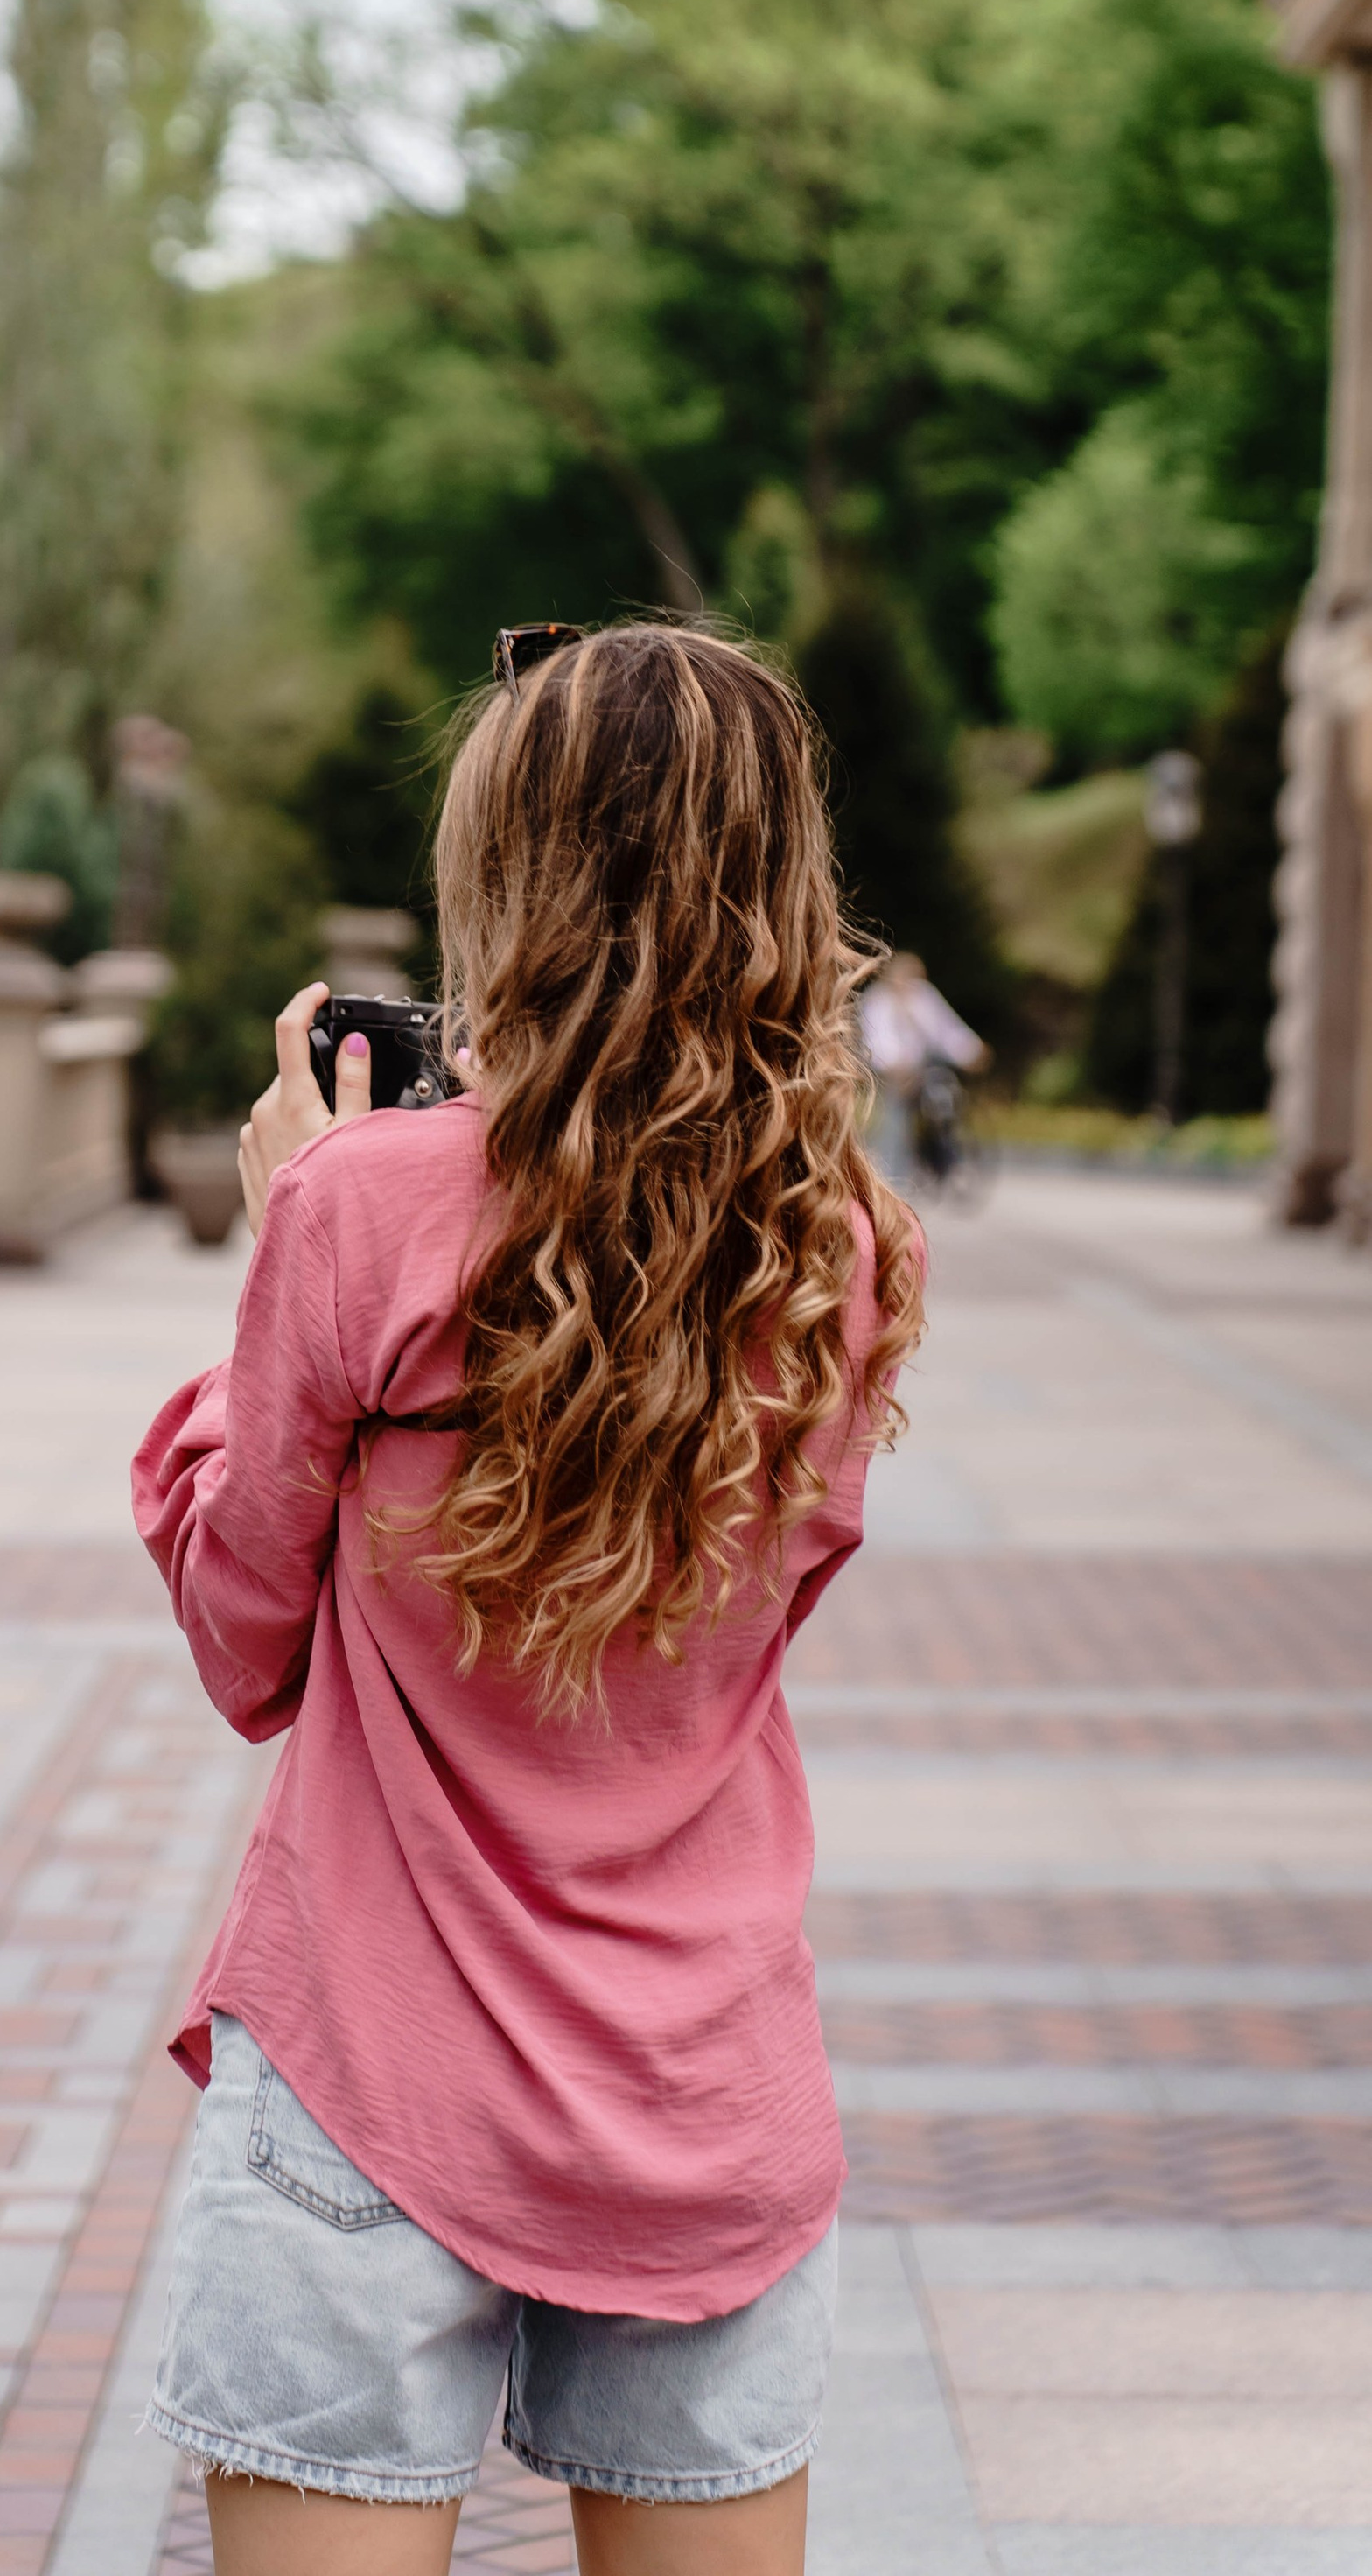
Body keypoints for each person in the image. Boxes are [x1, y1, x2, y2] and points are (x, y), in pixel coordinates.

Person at [131, 624, 925, 2576]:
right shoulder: (841, 1252)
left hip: (367, 2075)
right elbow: (710, 1656)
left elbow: (247, 1646)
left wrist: (276, 1268)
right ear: (777, 892)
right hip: (695, 2081)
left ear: (509, 880)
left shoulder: (359, 1209)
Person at [857, 951, 987, 1188]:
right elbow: (875, 1044)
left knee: (944, 1097)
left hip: (923, 1072)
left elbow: (946, 1031)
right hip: (892, 1076)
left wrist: (971, 1051)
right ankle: (887, 1173)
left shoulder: (924, 997)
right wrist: (897, 1065)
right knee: (893, 1119)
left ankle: (945, 1155)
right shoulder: (877, 1001)